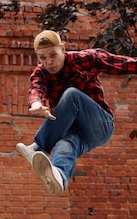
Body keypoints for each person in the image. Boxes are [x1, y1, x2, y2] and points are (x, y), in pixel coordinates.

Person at [15, 30, 136, 195]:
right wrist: (36, 103)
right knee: (65, 145)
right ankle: (60, 176)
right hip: (77, 132)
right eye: (42, 58)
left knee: (72, 95)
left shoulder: (85, 59)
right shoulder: (41, 73)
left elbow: (121, 64)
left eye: (53, 55)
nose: (49, 62)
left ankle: (39, 147)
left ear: (63, 49)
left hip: (100, 124)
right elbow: (37, 88)